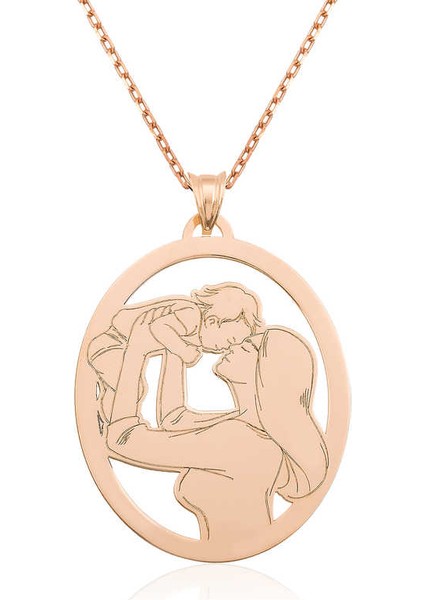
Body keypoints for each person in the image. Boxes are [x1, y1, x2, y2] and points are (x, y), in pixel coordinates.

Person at [106, 315, 329, 548]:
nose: (235, 345)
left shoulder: (242, 439)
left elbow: (122, 439)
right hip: (232, 557)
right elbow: (175, 419)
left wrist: (135, 352)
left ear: (266, 372)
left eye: (248, 346)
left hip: (232, 559)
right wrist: (175, 348)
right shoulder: (243, 426)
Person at [87, 283, 263, 422]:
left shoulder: (193, 328)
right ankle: (106, 421)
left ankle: (106, 416)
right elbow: (159, 327)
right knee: (134, 390)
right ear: (212, 322)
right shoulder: (191, 315)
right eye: (230, 340)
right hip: (110, 343)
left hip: (119, 346)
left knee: (127, 390)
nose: (227, 349)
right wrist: (183, 350)